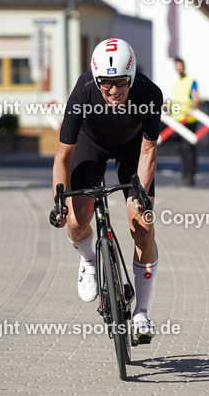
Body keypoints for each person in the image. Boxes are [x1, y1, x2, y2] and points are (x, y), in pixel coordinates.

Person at [49, 38, 161, 343]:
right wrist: (59, 199)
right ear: (96, 79)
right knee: (76, 219)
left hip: (133, 151)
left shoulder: (149, 93)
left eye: (120, 84)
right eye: (106, 84)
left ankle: (141, 313)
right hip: (91, 146)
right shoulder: (84, 90)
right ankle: (88, 260)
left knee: (142, 224)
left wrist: (140, 195)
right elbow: (63, 156)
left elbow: (149, 151)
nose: (113, 91)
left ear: (132, 76)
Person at [170, 57, 200, 186]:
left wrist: (194, 106)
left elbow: (195, 98)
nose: (179, 68)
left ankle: (190, 176)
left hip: (188, 120)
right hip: (177, 120)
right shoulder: (176, 82)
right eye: (177, 66)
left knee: (188, 149)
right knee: (180, 149)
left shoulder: (191, 81)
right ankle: (184, 175)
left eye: (181, 66)